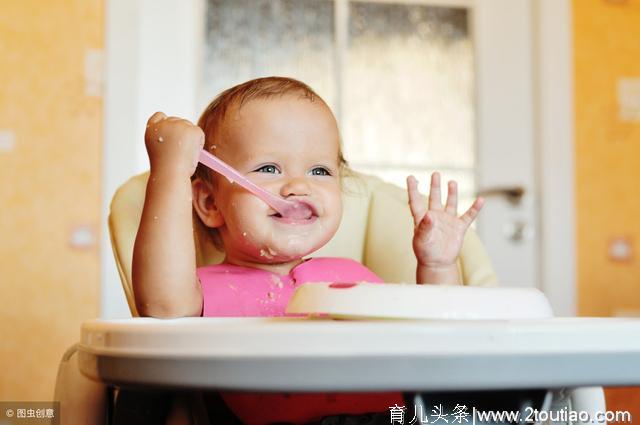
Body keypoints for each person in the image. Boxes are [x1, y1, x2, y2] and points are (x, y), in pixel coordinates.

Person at [131, 76, 484, 425]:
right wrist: (171, 168)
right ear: (210, 203)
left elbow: (440, 342)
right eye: (269, 168)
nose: (299, 186)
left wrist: (438, 264)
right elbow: (162, 306)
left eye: (319, 170)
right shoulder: (204, 291)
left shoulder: (350, 279)